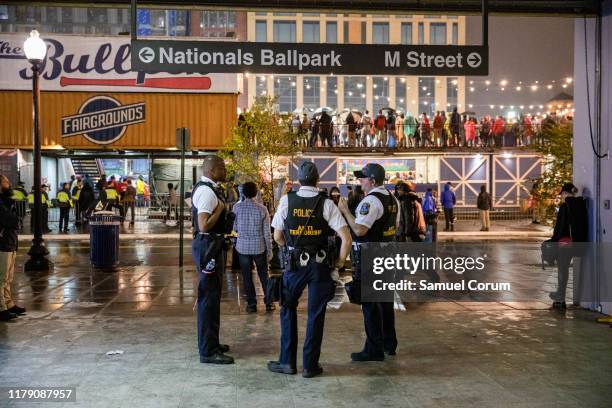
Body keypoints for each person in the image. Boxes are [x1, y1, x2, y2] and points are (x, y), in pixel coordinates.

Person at [268, 162, 351, 378]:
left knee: (287, 308)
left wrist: (290, 248)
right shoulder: (326, 203)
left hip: (294, 266)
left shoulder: (287, 200)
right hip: (321, 266)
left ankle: (287, 362)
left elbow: (277, 236)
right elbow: (346, 238)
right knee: (316, 314)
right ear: (317, 180)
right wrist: (340, 264)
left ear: (298, 180)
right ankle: (310, 365)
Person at [337, 163, 399, 361]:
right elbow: (395, 226)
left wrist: (346, 211)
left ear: (372, 181)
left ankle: (373, 349)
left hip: (371, 256)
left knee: (371, 304)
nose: (360, 182)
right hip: (387, 254)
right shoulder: (392, 198)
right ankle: (389, 343)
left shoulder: (371, 201)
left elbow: (360, 230)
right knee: (385, 301)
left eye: (362, 178)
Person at [191, 155, 235, 364]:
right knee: (208, 299)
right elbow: (204, 225)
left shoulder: (211, 189)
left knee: (213, 297)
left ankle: (212, 342)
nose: (225, 171)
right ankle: (208, 351)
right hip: (208, 248)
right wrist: (219, 209)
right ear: (212, 170)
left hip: (213, 247)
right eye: (222, 168)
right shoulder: (207, 193)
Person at [232, 182, 274, 313]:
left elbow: (234, 229)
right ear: (256, 193)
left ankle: (251, 304)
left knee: (247, 276)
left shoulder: (236, 208)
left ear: (243, 193)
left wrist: (235, 242)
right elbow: (267, 233)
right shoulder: (263, 209)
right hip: (259, 247)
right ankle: (269, 302)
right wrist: (270, 249)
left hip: (242, 248)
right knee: (264, 275)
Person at [549, 182, 588, 310]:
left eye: (563, 194)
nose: (562, 197)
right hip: (577, 243)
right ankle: (560, 295)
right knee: (566, 270)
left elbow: (560, 228)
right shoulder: (581, 205)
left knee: (563, 270)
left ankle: (560, 299)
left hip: (564, 243)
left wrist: (553, 241)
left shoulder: (565, 207)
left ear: (566, 194)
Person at [0, 175, 25, 321]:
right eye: (6, 182)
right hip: (3, 243)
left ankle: (8, 304)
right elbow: (10, 220)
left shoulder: (7, 201)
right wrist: (15, 218)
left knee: (8, 278)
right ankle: (1, 307)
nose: (9, 184)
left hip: (10, 242)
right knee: (2, 278)